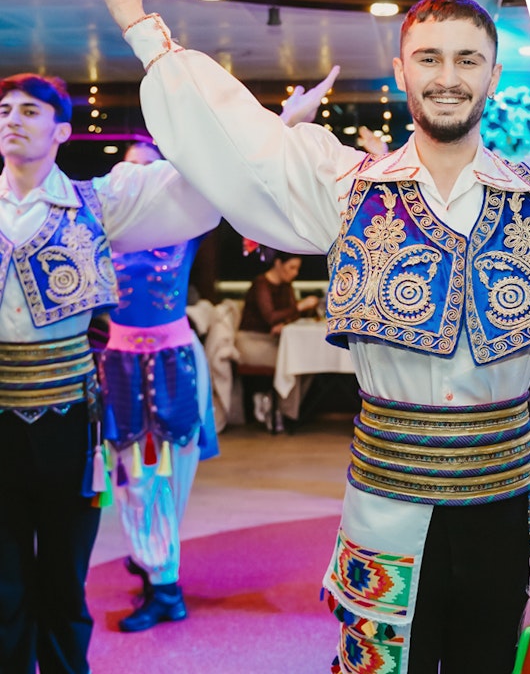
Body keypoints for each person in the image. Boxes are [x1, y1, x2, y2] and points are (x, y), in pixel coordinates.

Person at [80, 0, 530, 673]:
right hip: (385, 510)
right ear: (402, 70)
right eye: (430, 58)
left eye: (467, 59)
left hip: (501, 508)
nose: (448, 77)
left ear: (494, 75)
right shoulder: (346, 188)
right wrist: (140, 23)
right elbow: (240, 143)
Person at [0, 73, 218, 674]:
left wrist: (278, 130)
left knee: (153, 486)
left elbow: (208, 184)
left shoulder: (106, 210)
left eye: (29, 110)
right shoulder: (104, 219)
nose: (12, 119)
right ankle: (156, 576)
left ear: (60, 131)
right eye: (4, 109)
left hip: (127, 384)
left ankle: (162, 579)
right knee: (9, 579)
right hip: (106, 371)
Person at [98, 142, 221, 633]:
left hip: (175, 365)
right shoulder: (99, 228)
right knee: (136, 477)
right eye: (128, 170)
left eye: (149, 170)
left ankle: (161, 575)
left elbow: (236, 179)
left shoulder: (187, 228)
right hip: (122, 365)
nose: (138, 181)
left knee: (171, 477)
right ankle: (158, 573)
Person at [236, 251, 320, 432]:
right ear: (278, 263)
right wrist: (299, 306)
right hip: (252, 342)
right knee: (296, 362)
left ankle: (280, 407)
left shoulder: (286, 285)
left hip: (275, 340)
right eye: (292, 268)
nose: (295, 273)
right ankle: (280, 412)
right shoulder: (261, 284)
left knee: (309, 362)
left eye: (297, 269)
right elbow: (271, 317)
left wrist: (285, 320)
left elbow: (285, 317)